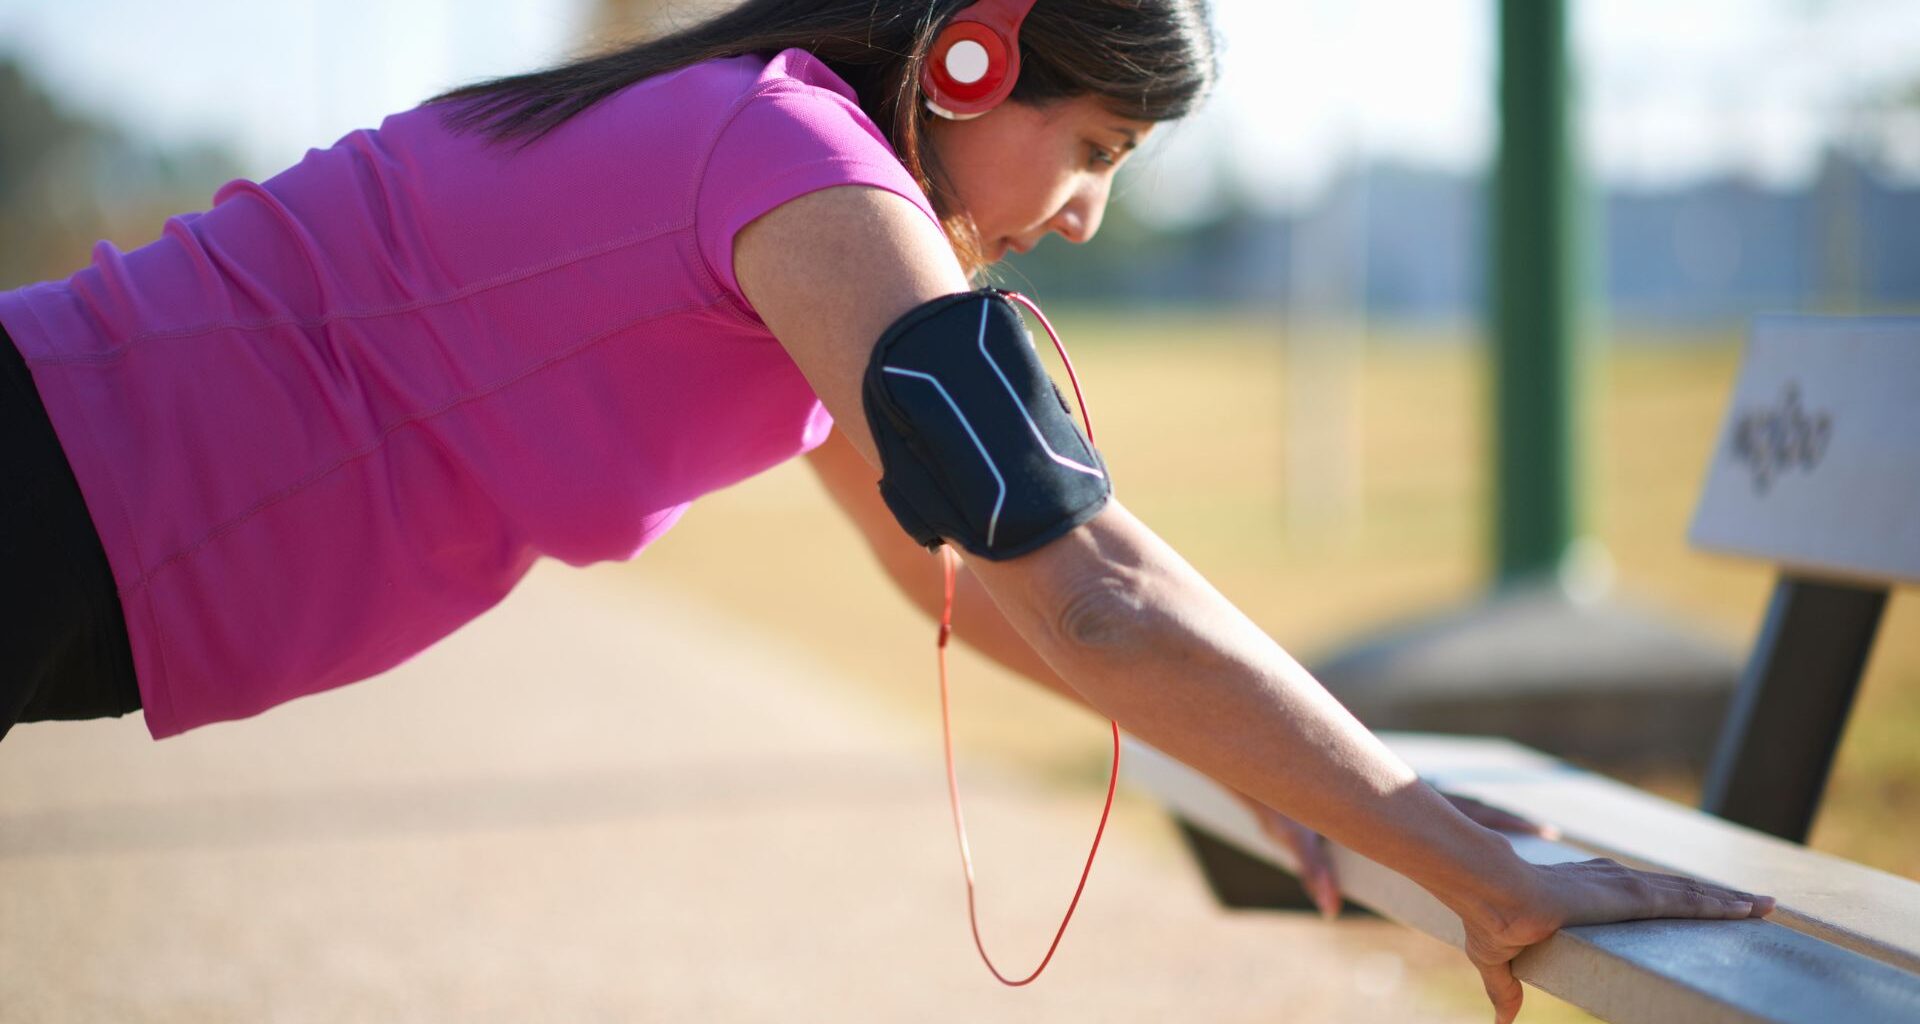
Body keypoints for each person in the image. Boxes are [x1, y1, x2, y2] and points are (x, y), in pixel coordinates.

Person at [0, 1, 1770, 1019]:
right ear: (980, 59)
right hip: (51, 493)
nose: (1082, 212)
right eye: (1092, 152)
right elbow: (1086, 583)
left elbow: (960, 573)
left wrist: (1288, 779)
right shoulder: (797, 167)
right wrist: (1451, 849)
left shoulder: (771, 170)